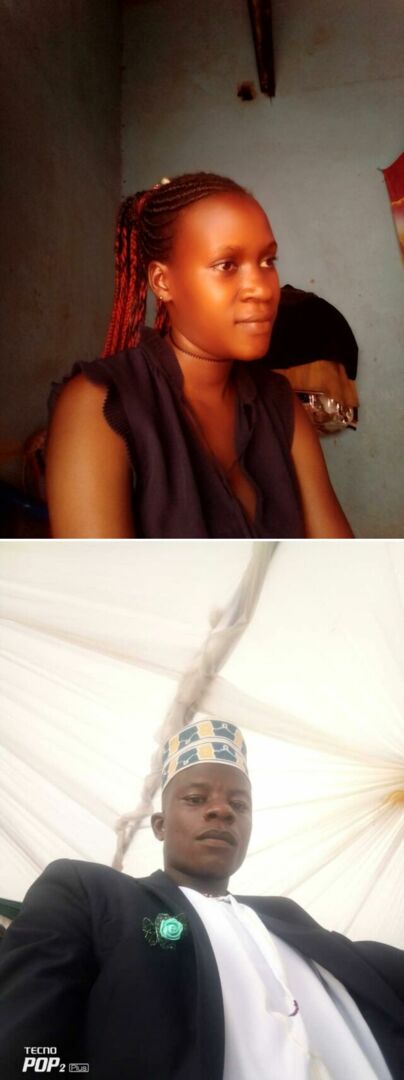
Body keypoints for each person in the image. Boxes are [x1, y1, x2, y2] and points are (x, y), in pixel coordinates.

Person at [0, 719, 402, 1079]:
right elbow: (24, 1049)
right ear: (160, 825)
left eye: (239, 805)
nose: (222, 811)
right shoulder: (91, 894)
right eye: (196, 799)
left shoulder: (289, 918)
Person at [46, 172, 353, 539]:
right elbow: (100, 577)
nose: (262, 289)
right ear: (162, 282)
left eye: (268, 261)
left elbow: (339, 560)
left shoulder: (280, 405)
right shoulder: (99, 407)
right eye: (226, 265)